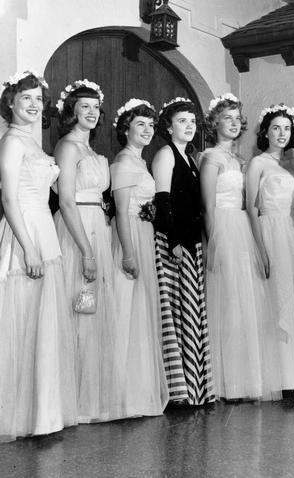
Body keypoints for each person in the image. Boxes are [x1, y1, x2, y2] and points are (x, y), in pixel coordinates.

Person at [0, 70, 77, 442]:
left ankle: (43, 414)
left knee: (43, 327)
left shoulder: (33, 143)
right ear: (10, 103)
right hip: (24, 233)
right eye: (24, 98)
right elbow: (9, 198)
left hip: (45, 230)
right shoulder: (12, 142)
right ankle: (20, 415)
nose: (32, 105)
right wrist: (28, 246)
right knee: (23, 324)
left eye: (36, 99)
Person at [200, 93, 282, 401]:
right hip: (222, 227)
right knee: (227, 302)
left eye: (237, 119)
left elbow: (250, 204)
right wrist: (213, 245)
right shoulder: (211, 157)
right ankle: (225, 384)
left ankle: (244, 380)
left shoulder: (239, 161)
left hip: (242, 228)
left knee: (244, 303)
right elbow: (207, 207)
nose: (233, 124)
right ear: (215, 123)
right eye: (227, 118)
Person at [54, 79, 119, 422]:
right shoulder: (67, 147)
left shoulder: (95, 152)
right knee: (75, 306)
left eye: (96, 107)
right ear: (72, 112)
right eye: (85, 107)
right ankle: (71, 403)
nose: (92, 113)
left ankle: (90, 400)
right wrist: (87, 251)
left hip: (97, 225)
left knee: (93, 311)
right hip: (76, 229)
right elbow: (65, 200)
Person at [152, 97, 214, 405]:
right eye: (182, 122)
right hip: (174, 244)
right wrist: (175, 242)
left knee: (191, 314)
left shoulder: (189, 157)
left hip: (191, 242)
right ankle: (180, 392)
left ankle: (195, 389)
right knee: (178, 315)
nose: (188, 127)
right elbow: (163, 202)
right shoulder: (165, 154)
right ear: (168, 126)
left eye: (192, 122)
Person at [111, 98, 168, 416]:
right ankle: (124, 395)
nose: (146, 131)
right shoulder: (123, 162)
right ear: (126, 129)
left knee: (141, 312)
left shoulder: (140, 163)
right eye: (139, 125)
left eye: (150, 125)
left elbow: (140, 202)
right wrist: (129, 254)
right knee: (127, 311)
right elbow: (120, 212)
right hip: (130, 240)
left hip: (143, 234)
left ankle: (138, 392)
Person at [246, 103, 294, 394]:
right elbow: (251, 209)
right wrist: (260, 249)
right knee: (275, 299)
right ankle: (278, 378)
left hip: (293, 231)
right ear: (265, 132)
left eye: (286, 128)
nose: (282, 133)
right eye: (275, 128)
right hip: (269, 230)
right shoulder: (257, 164)